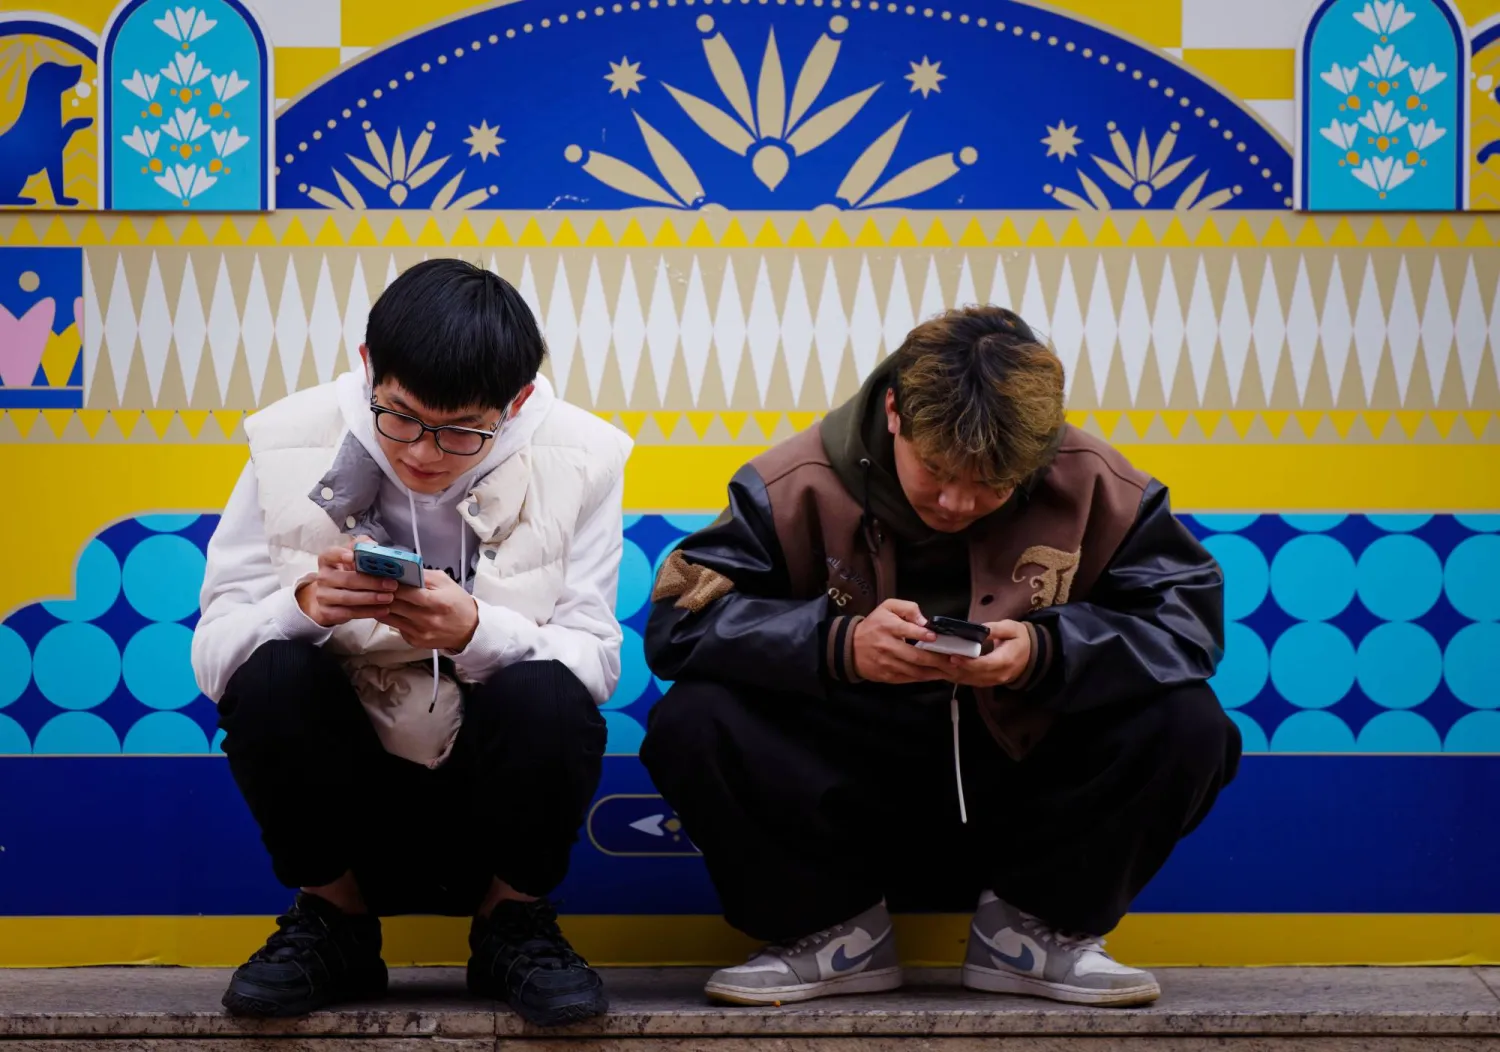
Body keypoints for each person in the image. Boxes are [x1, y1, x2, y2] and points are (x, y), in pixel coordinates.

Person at [640, 306, 1239, 1009]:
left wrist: (1047, 653)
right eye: (936, 470)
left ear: (1040, 456)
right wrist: (838, 645)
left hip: (1026, 793)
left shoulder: (1101, 485)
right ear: (894, 411)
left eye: (993, 482)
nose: (957, 502)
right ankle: (826, 937)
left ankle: (1039, 937)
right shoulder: (790, 480)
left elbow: (1188, 624)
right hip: (842, 796)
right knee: (694, 720)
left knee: (1189, 722)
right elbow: (679, 624)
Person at [192, 259, 632, 1025]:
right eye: (399, 417)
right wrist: (301, 608)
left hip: (490, 798)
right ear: (367, 370)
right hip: (350, 800)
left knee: (550, 693)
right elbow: (214, 659)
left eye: (461, 429)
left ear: (517, 402)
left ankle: (512, 925)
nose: (424, 453)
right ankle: (335, 924)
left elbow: (595, 662)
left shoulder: (582, 454)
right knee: (271, 675)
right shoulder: (287, 438)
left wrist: (476, 633)